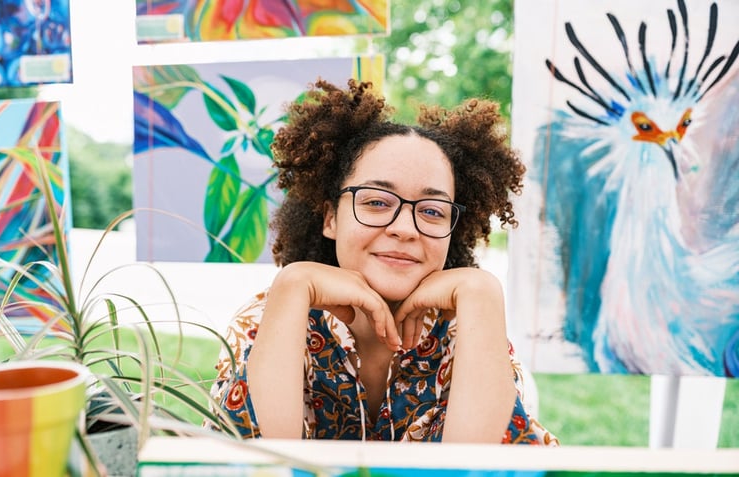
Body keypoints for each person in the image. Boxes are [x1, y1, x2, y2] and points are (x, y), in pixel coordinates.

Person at [208, 78, 558, 445]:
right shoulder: (269, 317)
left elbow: (475, 468)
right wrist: (293, 285)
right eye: (376, 202)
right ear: (331, 218)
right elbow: (260, 463)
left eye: (433, 211)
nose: (405, 229)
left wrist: (482, 290)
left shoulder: (468, 327)